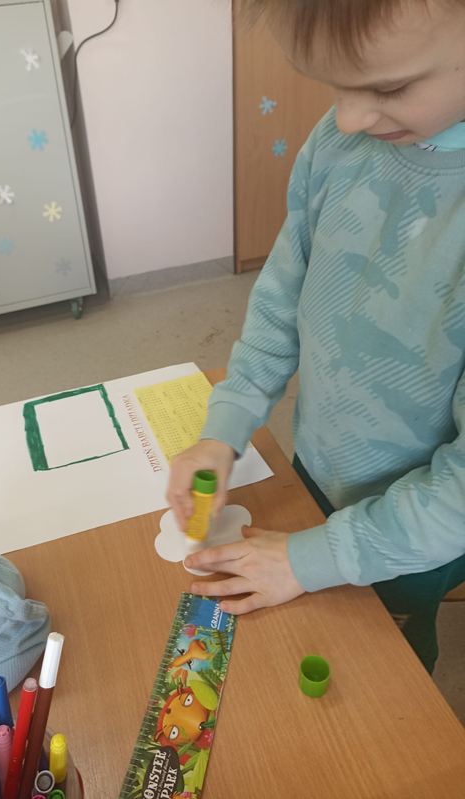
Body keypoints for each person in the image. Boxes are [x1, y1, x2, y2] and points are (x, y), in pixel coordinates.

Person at [167, 0, 465, 674]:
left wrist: (317, 558)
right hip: (319, 471)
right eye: (334, 85)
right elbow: (282, 300)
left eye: (389, 87)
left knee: (379, 666)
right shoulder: (339, 143)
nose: (349, 118)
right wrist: (225, 428)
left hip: (416, 532)